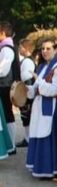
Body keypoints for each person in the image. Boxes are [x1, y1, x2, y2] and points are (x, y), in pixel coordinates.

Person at [26, 38, 57, 178]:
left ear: (56, 50)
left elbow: (54, 90)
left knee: (51, 136)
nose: (45, 51)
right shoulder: (42, 67)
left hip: (55, 107)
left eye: (48, 48)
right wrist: (27, 89)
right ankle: (41, 165)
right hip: (41, 105)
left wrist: (38, 81)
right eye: (43, 49)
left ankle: (52, 168)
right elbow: (38, 88)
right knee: (39, 132)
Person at [0, 21, 18, 153]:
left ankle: (11, 145)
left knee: (7, 114)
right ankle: (10, 145)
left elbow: (3, 70)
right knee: (7, 114)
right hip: (5, 85)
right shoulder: (7, 47)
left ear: (3, 33)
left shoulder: (6, 48)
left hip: (5, 85)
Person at [16, 38, 37, 148]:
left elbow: (26, 78)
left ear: (26, 48)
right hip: (28, 91)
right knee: (27, 116)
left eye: (20, 47)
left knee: (26, 116)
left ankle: (28, 139)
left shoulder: (27, 61)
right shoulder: (29, 60)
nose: (19, 49)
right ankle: (28, 138)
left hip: (27, 92)